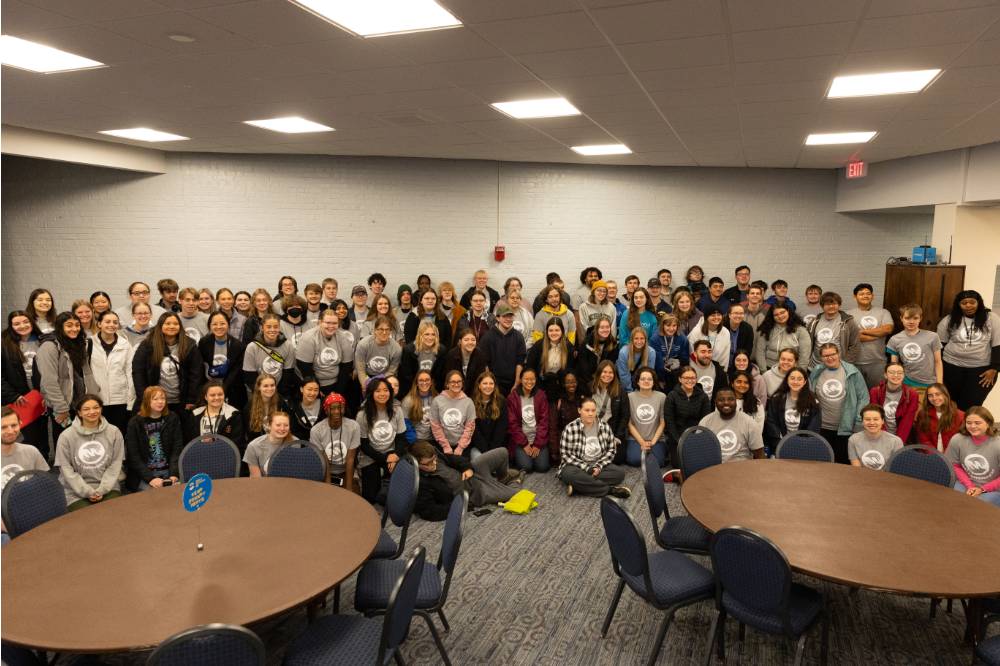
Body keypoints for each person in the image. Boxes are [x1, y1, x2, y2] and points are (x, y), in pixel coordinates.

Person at [409, 440, 519, 520]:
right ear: (416, 463)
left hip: (473, 472)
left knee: (502, 452)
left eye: (434, 459)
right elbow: (430, 512)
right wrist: (461, 505)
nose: (434, 464)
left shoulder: (434, 455)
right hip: (474, 492)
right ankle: (514, 480)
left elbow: (454, 459)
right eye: (428, 463)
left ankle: (503, 478)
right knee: (517, 493)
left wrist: (467, 468)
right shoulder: (419, 482)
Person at [36, 311, 98, 453]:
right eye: (69, 325)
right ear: (60, 327)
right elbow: (49, 381)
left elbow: (86, 373)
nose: (74, 329)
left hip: (80, 402)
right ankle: (62, 466)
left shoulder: (80, 343)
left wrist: (93, 396)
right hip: (62, 404)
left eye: (77, 325)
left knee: (81, 441)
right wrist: (61, 408)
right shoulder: (49, 346)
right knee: (64, 441)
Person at [55, 394, 124, 510]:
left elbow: (116, 463)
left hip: (108, 487)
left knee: (114, 514)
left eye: (96, 407)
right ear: (79, 413)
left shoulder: (114, 432)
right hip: (75, 491)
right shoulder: (66, 436)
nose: (92, 412)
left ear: (101, 409)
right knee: (86, 518)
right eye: (86, 409)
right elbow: (66, 469)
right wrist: (87, 491)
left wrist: (103, 489)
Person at [936, 290, 1000, 411]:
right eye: (964, 303)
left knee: (971, 406)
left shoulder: (991, 318)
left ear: (979, 303)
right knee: (951, 405)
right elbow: (939, 345)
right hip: (951, 368)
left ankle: (968, 424)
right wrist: (940, 369)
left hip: (981, 371)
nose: (968, 305)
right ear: (958, 305)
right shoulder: (949, 319)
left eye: (972, 302)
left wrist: (994, 369)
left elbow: (998, 344)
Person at [558, 398, 629, 498]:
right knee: (568, 474)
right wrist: (587, 468)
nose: (590, 414)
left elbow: (611, 449)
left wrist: (598, 466)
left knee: (619, 474)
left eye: (593, 410)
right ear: (579, 410)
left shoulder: (604, 426)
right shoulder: (570, 428)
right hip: (577, 466)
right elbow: (565, 455)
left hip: (597, 463)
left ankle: (578, 487)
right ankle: (610, 490)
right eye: (587, 410)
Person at [809, 343, 868, 464]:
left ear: (839, 354)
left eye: (832, 354)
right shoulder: (817, 371)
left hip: (845, 428)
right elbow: (810, 395)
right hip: (822, 427)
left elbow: (863, 398)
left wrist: (858, 421)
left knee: (842, 464)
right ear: (821, 358)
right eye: (826, 356)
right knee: (822, 463)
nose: (830, 358)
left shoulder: (852, 372)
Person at [356, 377, 407, 502]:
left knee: (399, 492)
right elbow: (364, 445)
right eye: (378, 391)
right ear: (371, 393)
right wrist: (385, 458)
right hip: (370, 456)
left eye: (385, 390)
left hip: (391, 452)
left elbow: (401, 438)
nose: (382, 394)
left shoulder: (397, 410)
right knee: (370, 497)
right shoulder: (362, 415)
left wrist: (395, 455)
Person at [1, 311, 45, 450]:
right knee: (26, 437)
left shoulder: (42, 340)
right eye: (17, 323)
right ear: (11, 326)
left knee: (42, 434)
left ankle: (42, 461)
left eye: (26, 322)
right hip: (20, 398)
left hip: (41, 395)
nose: (22, 326)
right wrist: (13, 396)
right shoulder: (4, 344)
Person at [125, 386, 182, 491]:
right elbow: (133, 456)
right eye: (155, 399)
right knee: (152, 496)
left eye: (163, 398)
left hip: (169, 471)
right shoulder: (135, 423)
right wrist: (150, 478)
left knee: (178, 493)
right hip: (146, 474)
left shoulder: (172, 418)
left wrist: (174, 474)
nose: (160, 402)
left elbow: (177, 448)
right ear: (147, 401)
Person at [89, 311, 133, 435]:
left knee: (119, 434)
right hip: (97, 398)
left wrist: (131, 401)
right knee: (98, 434)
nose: (111, 325)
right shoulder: (89, 343)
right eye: (107, 322)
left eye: (115, 322)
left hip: (120, 399)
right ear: (99, 324)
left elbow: (130, 373)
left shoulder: (125, 345)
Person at [945, 406, 1000, 507]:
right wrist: (969, 486)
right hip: (965, 483)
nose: (972, 426)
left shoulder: (998, 444)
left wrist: (982, 489)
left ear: (988, 423)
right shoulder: (957, 439)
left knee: (976, 506)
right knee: (953, 502)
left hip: (993, 489)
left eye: (977, 423)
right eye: (969, 423)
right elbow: (954, 465)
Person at [296, 308, 355, 398]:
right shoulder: (308, 338)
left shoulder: (343, 337)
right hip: (312, 383)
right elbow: (304, 367)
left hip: (336, 382)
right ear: (320, 322)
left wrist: (338, 391)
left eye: (334, 323)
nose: (331, 326)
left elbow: (346, 365)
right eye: (327, 323)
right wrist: (317, 389)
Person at [887, 304, 943, 395]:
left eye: (915, 318)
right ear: (901, 318)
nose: (911, 322)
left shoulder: (933, 337)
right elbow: (894, 365)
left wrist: (939, 384)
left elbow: (938, 362)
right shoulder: (895, 339)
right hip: (907, 382)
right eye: (907, 318)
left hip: (930, 383)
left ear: (920, 318)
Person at [663, 365, 713, 470]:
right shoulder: (672, 396)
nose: (690, 380)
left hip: (697, 435)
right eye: (686, 378)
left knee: (699, 463)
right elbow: (669, 422)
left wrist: (696, 439)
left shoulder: (703, 396)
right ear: (680, 379)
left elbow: (705, 421)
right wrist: (679, 441)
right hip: (677, 437)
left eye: (693, 378)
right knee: (679, 464)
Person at [846, 283, 894, 388]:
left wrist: (862, 332)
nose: (865, 296)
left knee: (878, 392)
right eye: (861, 294)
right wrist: (878, 334)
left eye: (868, 293)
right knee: (857, 392)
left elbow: (888, 329)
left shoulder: (883, 312)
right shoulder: (848, 315)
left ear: (873, 296)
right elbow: (851, 337)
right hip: (855, 362)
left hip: (878, 362)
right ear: (855, 296)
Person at [764, 367, 821, 454]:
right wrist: (781, 442)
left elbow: (814, 427)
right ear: (787, 380)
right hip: (780, 444)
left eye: (799, 379)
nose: (795, 382)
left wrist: (801, 443)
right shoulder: (777, 398)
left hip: (804, 446)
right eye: (792, 378)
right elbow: (771, 422)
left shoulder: (813, 401)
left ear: (805, 382)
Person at [699, 388, 765, 463]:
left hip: (741, 467)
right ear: (715, 402)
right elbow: (699, 451)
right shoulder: (705, 422)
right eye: (721, 400)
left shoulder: (749, 422)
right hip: (714, 467)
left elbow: (760, 455)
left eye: (730, 399)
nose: (726, 402)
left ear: (736, 401)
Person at [310, 392, 359, 491]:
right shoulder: (316, 430)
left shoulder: (354, 426)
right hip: (324, 470)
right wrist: (329, 488)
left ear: (344, 409)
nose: (336, 411)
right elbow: (323, 461)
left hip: (346, 470)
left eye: (340, 408)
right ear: (326, 410)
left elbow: (350, 459)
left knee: (353, 491)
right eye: (332, 408)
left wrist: (349, 489)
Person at [198, 311, 246, 409]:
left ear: (228, 325)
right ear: (209, 326)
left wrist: (223, 388)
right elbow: (200, 367)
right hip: (209, 390)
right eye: (214, 324)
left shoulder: (238, 346)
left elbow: (236, 372)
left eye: (222, 323)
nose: (219, 327)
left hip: (232, 391)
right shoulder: (204, 343)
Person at [242, 313, 296, 399]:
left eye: (275, 327)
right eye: (268, 327)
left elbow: (288, 374)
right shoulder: (252, 347)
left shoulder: (288, 346)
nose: (272, 330)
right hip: (258, 392)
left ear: (279, 328)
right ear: (262, 328)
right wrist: (263, 392)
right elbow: (249, 376)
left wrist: (277, 394)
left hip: (280, 392)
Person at [506, 368, 550, 473]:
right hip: (521, 440)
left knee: (542, 467)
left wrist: (538, 444)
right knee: (526, 467)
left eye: (532, 379)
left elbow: (544, 422)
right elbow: (512, 424)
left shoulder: (541, 395)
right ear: (521, 380)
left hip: (538, 438)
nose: (529, 382)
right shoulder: (513, 397)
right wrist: (524, 444)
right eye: (526, 379)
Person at [478, 304, 526, 396]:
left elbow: (520, 361)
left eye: (510, 316)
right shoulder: (487, 337)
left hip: (513, 383)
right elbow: (484, 362)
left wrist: (517, 382)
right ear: (498, 318)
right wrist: (490, 384)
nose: (508, 319)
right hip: (495, 383)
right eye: (504, 316)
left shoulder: (518, 337)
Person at [1, 407, 50, 495]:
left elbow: (46, 483)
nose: (10, 431)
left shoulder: (31, 451)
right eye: (3, 427)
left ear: (20, 424)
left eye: (14, 425)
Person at [525, 317, 575, 400]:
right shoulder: (539, 346)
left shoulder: (568, 347)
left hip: (560, 387)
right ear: (547, 332)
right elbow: (530, 367)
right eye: (551, 330)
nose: (553, 333)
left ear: (562, 331)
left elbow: (570, 370)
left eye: (557, 330)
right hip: (540, 386)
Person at [625, 367, 666, 467]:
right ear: (638, 382)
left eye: (649, 379)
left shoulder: (661, 397)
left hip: (656, 439)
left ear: (653, 382)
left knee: (659, 462)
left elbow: (662, 422)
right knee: (634, 460)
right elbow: (629, 424)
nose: (646, 381)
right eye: (643, 379)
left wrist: (653, 442)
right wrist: (642, 442)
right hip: (636, 439)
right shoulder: (630, 397)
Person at [183, 380, 245, 447]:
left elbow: (237, 443)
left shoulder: (234, 415)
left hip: (225, 452)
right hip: (199, 452)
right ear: (206, 397)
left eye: (220, 394)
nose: (217, 398)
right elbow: (190, 441)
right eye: (212, 395)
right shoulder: (195, 414)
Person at [807, 292, 860, 368]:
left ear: (839, 305)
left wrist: (846, 365)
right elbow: (808, 344)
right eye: (827, 304)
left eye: (834, 303)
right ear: (822, 306)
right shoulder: (814, 322)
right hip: (815, 366)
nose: (831, 306)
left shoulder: (848, 322)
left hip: (839, 366)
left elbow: (855, 346)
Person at [430, 370, 476, 457]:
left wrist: (460, 447)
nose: (456, 384)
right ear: (447, 384)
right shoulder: (437, 401)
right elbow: (435, 426)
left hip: (463, 447)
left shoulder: (468, 402)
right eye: (453, 382)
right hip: (442, 446)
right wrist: (445, 446)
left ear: (462, 383)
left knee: (463, 464)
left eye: (459, 381)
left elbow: (470, 427)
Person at [590, 361, 629, 463]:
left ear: (614, 375)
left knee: (618, 459)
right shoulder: (589, 388)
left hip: (612, 430)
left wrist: (616, 437)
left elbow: (625, 416)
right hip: (592, 429)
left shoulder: (620, 391)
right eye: (604, 372)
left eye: (610, 372)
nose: (607, 375)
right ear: (599, 373)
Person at [868, 363, 918, 442]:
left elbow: (907, 421)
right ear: (885, 375)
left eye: (900, 373)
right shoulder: (875, 392)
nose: (896, 375)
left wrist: (898, 442)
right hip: (880, 435)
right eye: (891, 372)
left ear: (904, 375)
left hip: (902, 437)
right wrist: (884, 439)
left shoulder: (912, 394)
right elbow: (876, 417)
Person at [755, 304, 811, 371]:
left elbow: (804, 355)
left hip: (792, 370)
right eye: (776, 315)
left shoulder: (801, 330)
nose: (780, 316)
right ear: (772, 316)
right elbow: (760, 352)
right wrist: (764, 371)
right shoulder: (766, 329)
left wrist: (799, 372)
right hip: (769, 368)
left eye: (782, 312)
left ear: (788, 311)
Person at [848, 404, 904, 471]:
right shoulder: (853, 439)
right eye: (867, 419)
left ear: (882, 421)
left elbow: (897, 469)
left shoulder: (896, 441)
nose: (872, 423)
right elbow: (857, 469)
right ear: (862, 421)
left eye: (876, 419)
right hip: (862, 476)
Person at [912, 383, 964, 453]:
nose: (934, 398)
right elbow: (924, 440)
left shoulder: (960, 415)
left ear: (945, 394)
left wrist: (949, 456)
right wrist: (935, 456)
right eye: (930, 395)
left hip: (953, 455)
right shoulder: (923, 414)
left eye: (938, 394)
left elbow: (962, 441)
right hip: (930, 455)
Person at [244, 411, 294, 478]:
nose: (282, 428)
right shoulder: (254, 446)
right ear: (269, 426)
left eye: (286, 425)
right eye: (278, 425)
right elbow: (255, 477)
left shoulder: (295, 443)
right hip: (264, 483)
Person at [548, 372, 582, 467]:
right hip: (563, 439)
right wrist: (554, 450)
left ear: (577, 383)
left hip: (579, 439)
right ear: (563, 384)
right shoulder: (558, 402)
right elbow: (553, 427)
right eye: (568, 382)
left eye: (573, 381)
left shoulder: (581, 400)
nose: (571, 384)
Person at [243, 374, 289, 445]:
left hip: (279, 440)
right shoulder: (249, 407)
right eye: (265, 386)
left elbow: (287, 423)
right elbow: (250, 433)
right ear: (259, 387)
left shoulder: (280, 401)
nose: (270, 389)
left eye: (272, 385)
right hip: (259, 443)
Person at [471, 370, 508, 457]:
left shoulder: (501, 401)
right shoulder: (471, 402)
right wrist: (486, 451)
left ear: (494, 386)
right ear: (479, 385)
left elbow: (501, 429)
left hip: (497, 446)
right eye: (485, 383)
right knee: (479, 460)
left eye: (491, 383)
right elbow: (474, 431)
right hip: (478, 447)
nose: (488, 386)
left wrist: (492, 450)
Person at [575, 315, 617, 391]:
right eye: (602, 327)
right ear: (597, 329)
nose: (605, 330)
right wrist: (592, 383)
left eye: (607, 327)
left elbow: (611, 365)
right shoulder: (587, 343)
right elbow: (583, 367)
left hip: (604, 378)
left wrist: (602, 381)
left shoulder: (612, 343)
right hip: (587, 379)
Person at [442, 328, 488, 396]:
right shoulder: (452, 355)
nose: (470, 342)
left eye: (473, 340)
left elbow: (480, 379)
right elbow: (448, 377)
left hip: (474, 393)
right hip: (455, 391)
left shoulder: (480, 355)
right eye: (466, 340)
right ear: (460, 341)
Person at [688, 306, 731, 370]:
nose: (716, 317)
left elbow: (725, 356)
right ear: (706, 318)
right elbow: (691, 352)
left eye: (719, 315)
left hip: (717, 368)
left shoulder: (725, 332)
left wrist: (722, 371)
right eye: (713, 315)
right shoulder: (696, 332)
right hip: (697, 368)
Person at [402, 370, 437, 444]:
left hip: (435, 439)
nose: (424, 383)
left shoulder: (437, 398)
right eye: (421, 380)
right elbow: (406, 423)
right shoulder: (408, 400)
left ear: (431, 382)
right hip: (417, 439)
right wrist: (413, 440)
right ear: (417, 383)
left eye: (427, 380)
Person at [616, 326, 655, 392]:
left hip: (642, 384)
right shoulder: (623, 352)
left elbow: (649, 373)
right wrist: (630, 391)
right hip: (627, 384)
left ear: (645, 340)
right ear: (632, 340)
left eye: (642, 338)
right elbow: (624, 375)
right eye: (636, 338)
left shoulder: (651, 352)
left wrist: (642, 389)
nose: (639, 341)